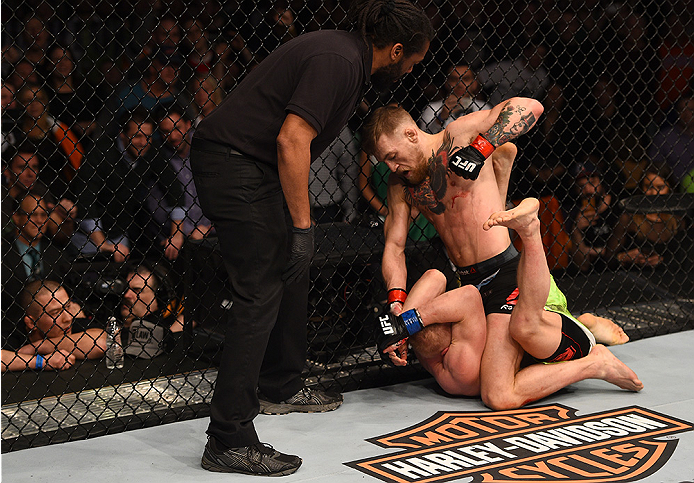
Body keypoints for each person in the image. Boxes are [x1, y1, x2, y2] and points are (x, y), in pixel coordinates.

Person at [189, 0, 434, 475]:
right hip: (234, 162)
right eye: (411, 63)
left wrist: (299, 232)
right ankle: (228, 436)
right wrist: (302, 224)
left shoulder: (348, 61)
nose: (408, 73)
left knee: (291, 267)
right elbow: (291, 139)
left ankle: (280, 382)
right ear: (397, 50)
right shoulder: (339, 61)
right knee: (259, 289)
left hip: (253, 166)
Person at [361, 104, 642, 407]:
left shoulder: (457, 136)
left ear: (410, 134)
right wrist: (396, 304)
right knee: (490, 368)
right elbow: (394, 247)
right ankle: (579, 325)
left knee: (498, 395)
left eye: (392, 156)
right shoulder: (400, 184)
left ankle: (595, 363)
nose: (390, 167)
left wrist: (482, 148)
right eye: (384, 161)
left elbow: (530, 107)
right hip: (467, 281)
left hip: (504, 274)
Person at [71, 107, 185, 262]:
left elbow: (174, 188)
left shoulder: (151, 151)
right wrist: (102, 244)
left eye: (148, 136)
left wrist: (176, 234)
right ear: (122, 134)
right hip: (87, 235)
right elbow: (85, 198)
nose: (143, 143)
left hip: (119, 232)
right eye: (137, 136)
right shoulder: (100, 151)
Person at [1, 279, 106, 372]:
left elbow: (102, 343)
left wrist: (38, 347)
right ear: (32, 323)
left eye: (67, 306)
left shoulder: (75, 324)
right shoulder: (12, 336)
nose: (68, 318)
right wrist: (41, 362)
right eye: (56, 313)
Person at [1, 191, 70, 327]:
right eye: (32, 214)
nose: (39, 220)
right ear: (16, 217)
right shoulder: (3, 255)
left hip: (54, 329)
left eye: (43, 215)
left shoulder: (57, 255)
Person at [604, 166, 686, 268]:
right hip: (635, 279)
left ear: (669, 189)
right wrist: (622, 257)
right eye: (649, 187)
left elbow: (685, 262)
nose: (654, 193)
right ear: (641, 188)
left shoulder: (678, 222)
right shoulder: (629, 219)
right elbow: (607, 259)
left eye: (660, 187)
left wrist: (662, 261)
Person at [418, 63, 492, 134]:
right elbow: (424, 136)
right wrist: (441, 117)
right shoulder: (432, 108)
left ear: (474, 83)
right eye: (454, 79)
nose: (460, 84)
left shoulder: (484, 108)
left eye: (465, 79)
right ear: (447, 83)